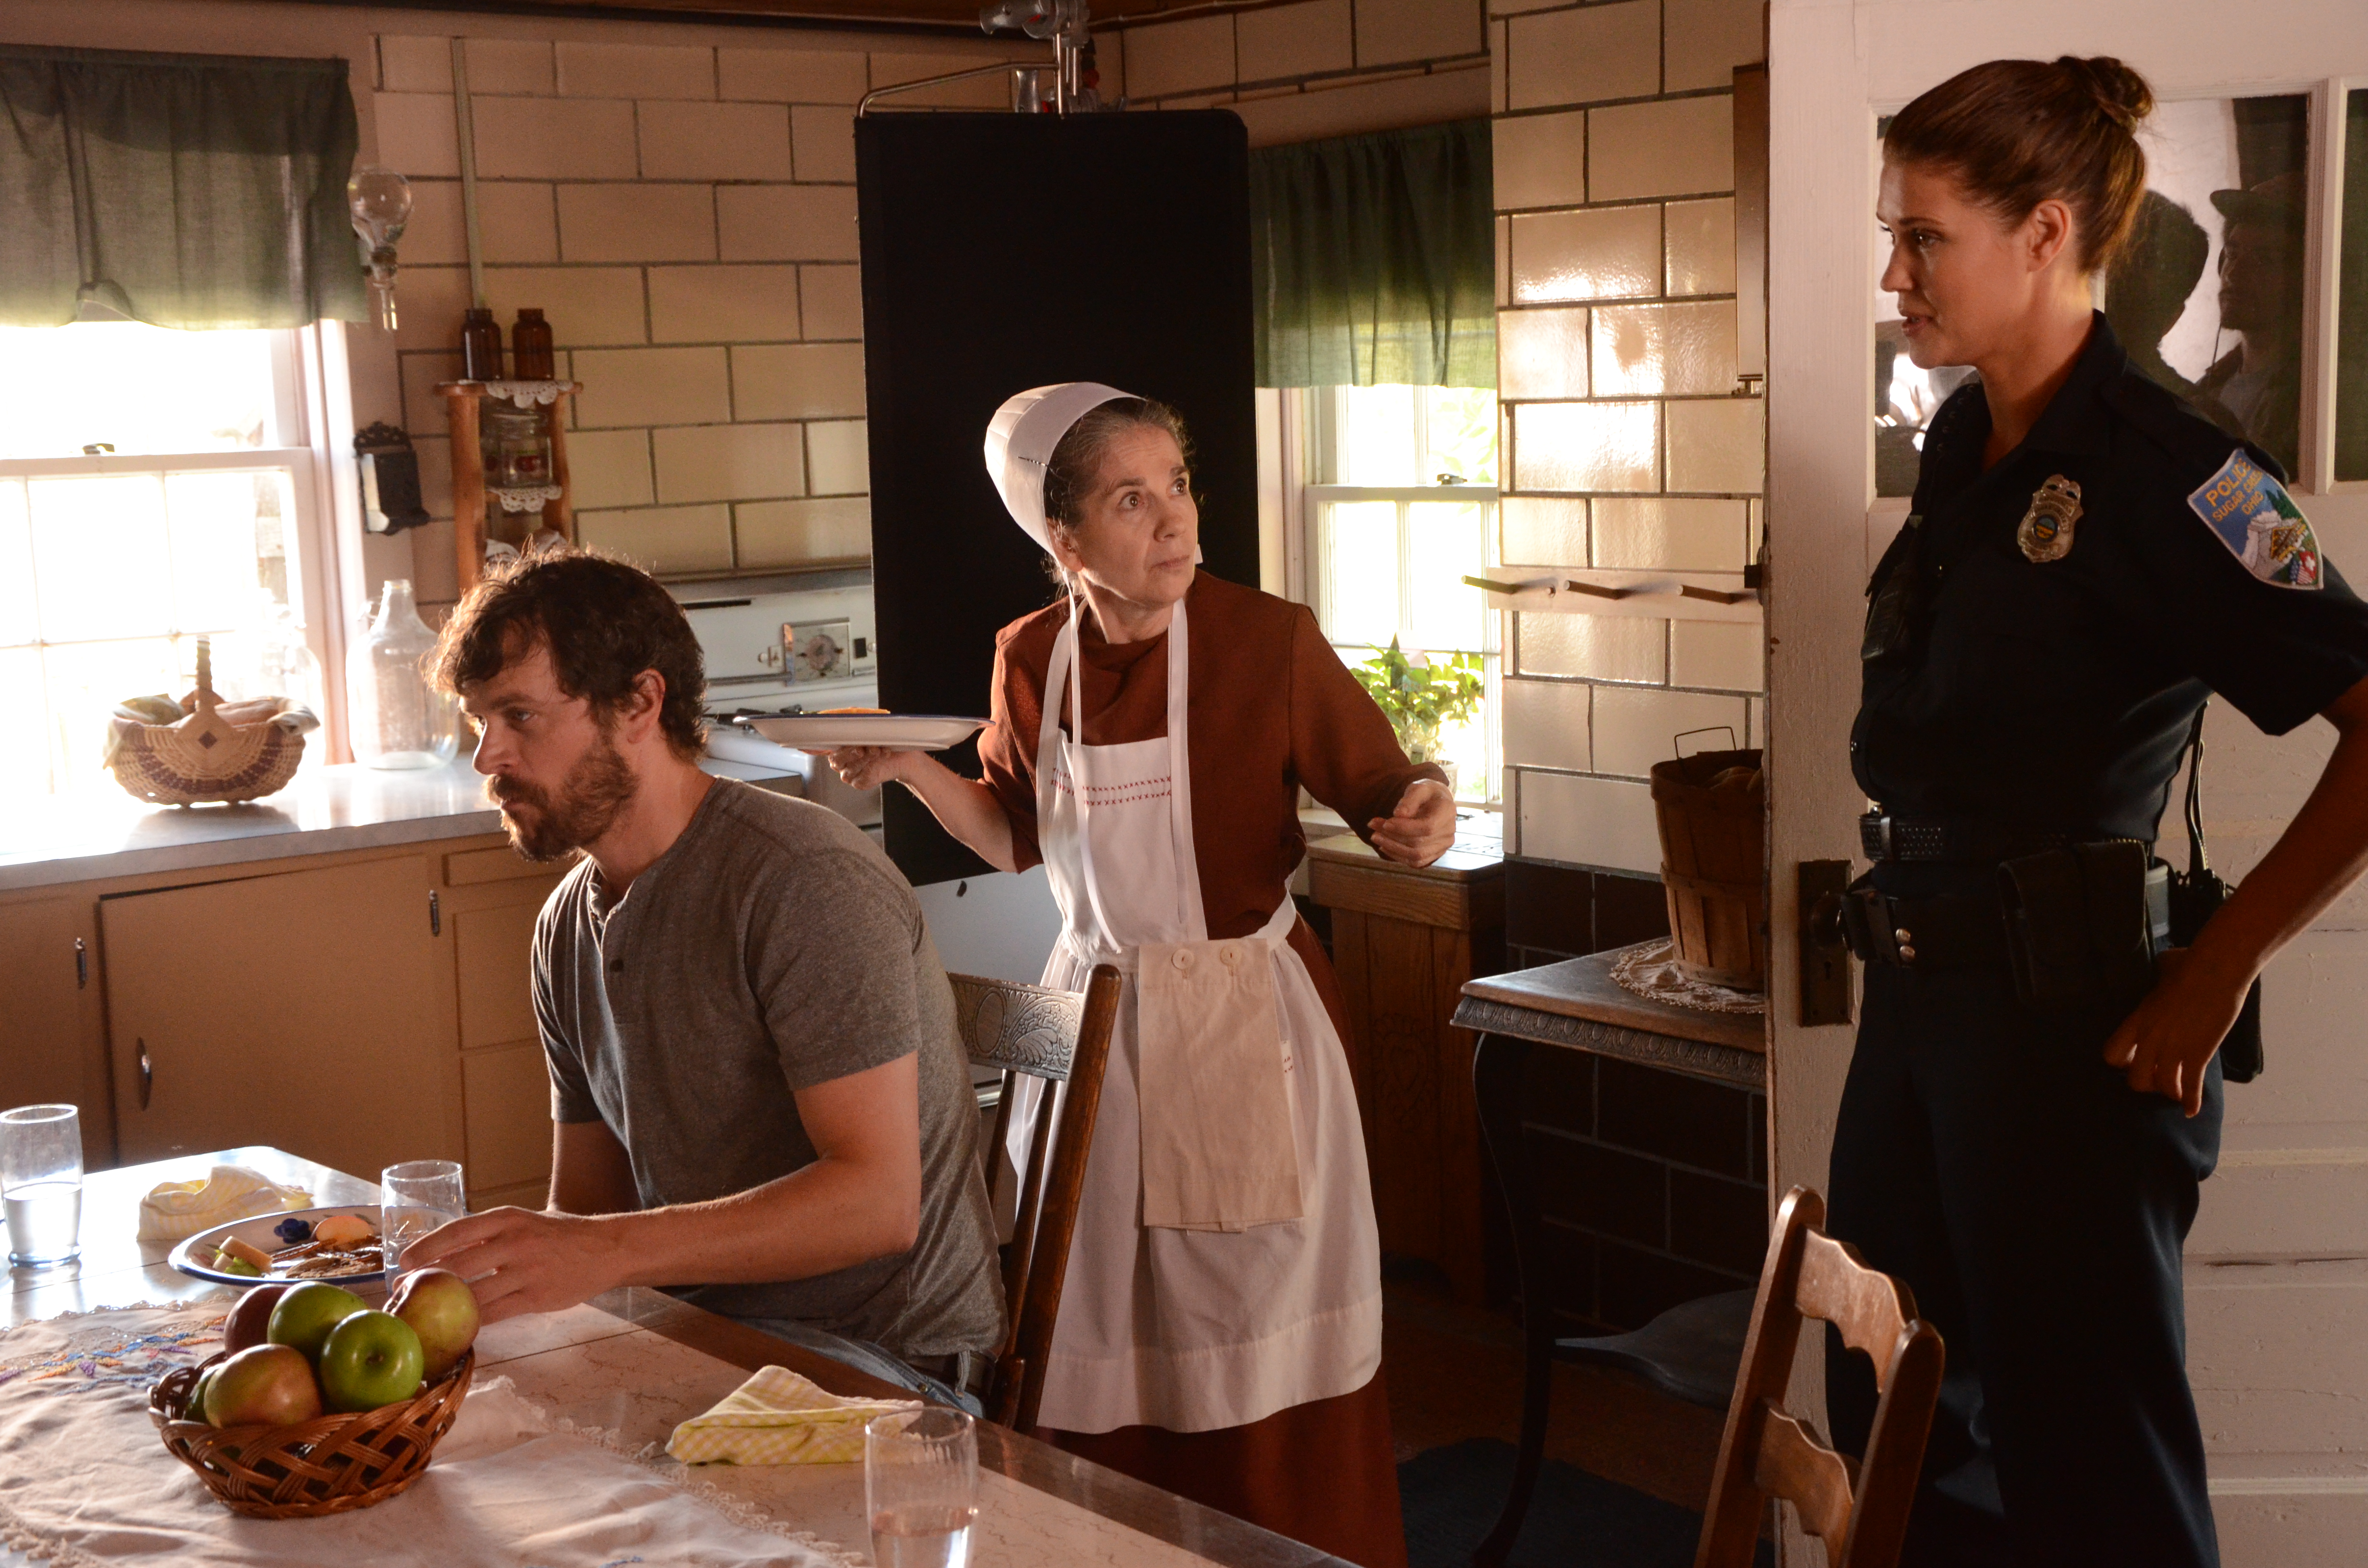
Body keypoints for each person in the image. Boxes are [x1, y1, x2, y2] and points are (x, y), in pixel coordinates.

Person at [1845, 56, 2368, 1567]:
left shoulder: (2179, 472)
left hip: (2064, 1027)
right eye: (1893, 236)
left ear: (2041, 231)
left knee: (2090, 1461)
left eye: (1922, 237)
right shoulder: (1960, 440)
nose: (1894, 276)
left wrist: (2220, 966)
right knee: (1898, 1414)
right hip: (1916, 1000)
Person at [822, 386, 1454, 1568]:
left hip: (1242, 1018)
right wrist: (910, 765)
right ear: (1066, 542)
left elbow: (1390, 792)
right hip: (1092, 1023)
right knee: (1087, 1311)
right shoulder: (1032, 656)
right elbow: (1015, 834)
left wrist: (1422, 809)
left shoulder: (1268, 640)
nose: (1173, 520)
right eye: (1131, 498)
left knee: (1251, 1318)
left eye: (1177, 485)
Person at [403, 551, 1005, 1408]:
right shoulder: (567, 924)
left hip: (883, 1371)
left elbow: (877, 1201)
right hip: (697, 1344)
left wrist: (603, 1254)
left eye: (519, 716)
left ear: (639, 703)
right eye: (478, 721)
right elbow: (590, 1210)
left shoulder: (800, 879)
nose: (486, 756)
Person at [2193, 172, 2306, 477]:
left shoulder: (2314, 400)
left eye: (2266, 259)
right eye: (2232, 253)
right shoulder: (2209, 389)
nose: (2235, 273)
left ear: (2307, 278)